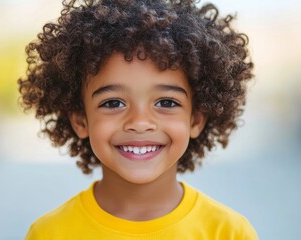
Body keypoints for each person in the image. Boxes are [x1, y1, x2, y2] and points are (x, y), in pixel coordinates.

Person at [18, 0, 257, 239]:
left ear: (195, 120)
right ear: (81, 120)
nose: (140, 122)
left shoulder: (228, 232)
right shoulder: (49, 233)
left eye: (166, 103)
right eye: (113, 103)